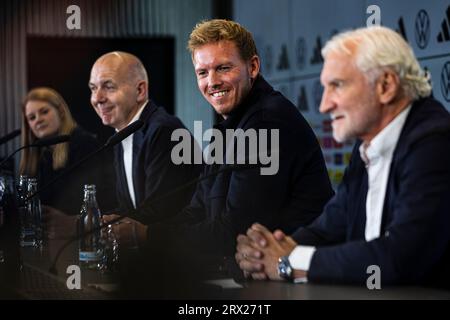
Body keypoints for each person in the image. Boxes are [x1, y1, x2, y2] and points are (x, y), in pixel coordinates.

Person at [236, 26, 450, 287]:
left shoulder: (434, 143)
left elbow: (401, 257)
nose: (324, 105)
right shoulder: (368, 147)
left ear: (386, 86)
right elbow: (328, 229)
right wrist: (267, 252)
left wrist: (289, 262)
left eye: (337, 86)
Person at [140, 19, 333, 260]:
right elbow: (199, 209)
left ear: (252, 67)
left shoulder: (267, 121)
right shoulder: (233, 123)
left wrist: (147, 236)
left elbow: (235, 232)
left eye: (223, 68)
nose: (212, 82)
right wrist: (144, 231)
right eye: (202, 72)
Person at [88, 51, 202, 240]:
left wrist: (93, 226)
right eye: (93, 88)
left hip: (180, 260)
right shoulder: (122, 132)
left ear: (140, 91)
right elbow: (128, 208)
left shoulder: (164, 131)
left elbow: (160, 212)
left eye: (108, 87)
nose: (97, 98)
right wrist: (88, 221)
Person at [20, 87, 115, 216]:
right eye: (32, 117)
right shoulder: (40, 155)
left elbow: (96, 200)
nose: (38, 119)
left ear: (61, 112)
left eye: (44, 112)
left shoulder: (84, 144)